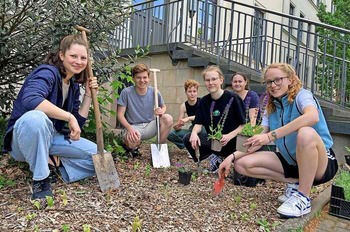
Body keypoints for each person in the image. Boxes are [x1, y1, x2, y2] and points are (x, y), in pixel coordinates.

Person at [219, 63, 338, 218]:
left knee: (305, 133)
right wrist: (231, 157)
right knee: (242, 164)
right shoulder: (271, 106)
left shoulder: (302, 96)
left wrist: (270, 136)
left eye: (277, 80)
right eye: (269, 82)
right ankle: (296, 185)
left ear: (290, 79)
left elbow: (312, 116)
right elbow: (257, 140)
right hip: (293, 162)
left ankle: (303, 198)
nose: (273, 85)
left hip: (322, 163)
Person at [3, 34, 99, 200]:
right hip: (23, 139)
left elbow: (76, 125)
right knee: (36, 118)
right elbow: (31, 99)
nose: (78, 61)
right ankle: (41, 180)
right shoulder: (47, 72)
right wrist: (69, 117)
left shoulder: (73, 86)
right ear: (62, 55)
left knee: (99, 158)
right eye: (73, 56)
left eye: (83, 58)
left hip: (51, 138)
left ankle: (54, 164)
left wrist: (88, 96)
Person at [183, 65, 246, 173]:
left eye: (214, 79)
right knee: (187, 138)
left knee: (239, 174)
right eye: (207, 80)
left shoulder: (233, 98)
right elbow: (198, 123)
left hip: (232, 142)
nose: (210, 82)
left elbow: (243, 125)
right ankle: (215, 157)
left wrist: (229, 136)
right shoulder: (204, 101)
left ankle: (231, 159)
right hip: (215, 143)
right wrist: (194, 133)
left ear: (221, 80)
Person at [117, 64, 173, 157]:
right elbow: (120, 114)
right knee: (132, 142)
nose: (142, 80)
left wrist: (161, 111)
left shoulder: (154, 92)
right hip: (133, 127)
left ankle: (158, 149)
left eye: (144, 77)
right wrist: (130, 129)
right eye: (138, 78)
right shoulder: (126, 92)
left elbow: (164, 106)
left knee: (168, 118)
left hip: (149, 126)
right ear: (133, 78)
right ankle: (130, 148)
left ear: (149, 78)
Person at [167, 79, 204, 155]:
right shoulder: (183, 106)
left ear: (197, 92)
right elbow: (180, 122)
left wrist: (188, 118)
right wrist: (178, 126)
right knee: (170, 134)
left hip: (203, 128)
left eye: (194, 91)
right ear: (186, 92)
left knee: (198, 131)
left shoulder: (202, 102)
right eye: (189, 91)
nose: (192, 94)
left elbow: (201, 117)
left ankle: (199, 147)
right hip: (193, 128)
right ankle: (189, 147)